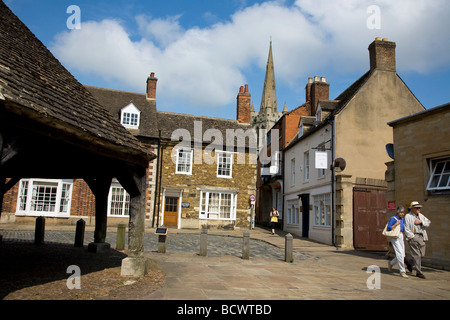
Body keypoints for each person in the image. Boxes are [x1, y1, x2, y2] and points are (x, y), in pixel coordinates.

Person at [404, 201, 431, 279]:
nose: (419, 209)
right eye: (417, 208)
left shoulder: (421, 216)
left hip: (421, 237)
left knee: (422, 254)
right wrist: (411, 237)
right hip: (413, 236)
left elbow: (428, 222)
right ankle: (419, 272)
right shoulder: (408, 216)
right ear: (412, 208)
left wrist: (421, 222)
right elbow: (406, 228)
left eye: (419, 208)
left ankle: (410, 262)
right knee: (417, 255)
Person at [387, 206, 408, 278]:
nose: (402, 214)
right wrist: (396, 224)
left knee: (403, 255)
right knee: (399, 254)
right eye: (401, 212)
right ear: (398, 212)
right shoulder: (393, 218)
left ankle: (391, 263)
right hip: (395, 236)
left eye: (403, 212)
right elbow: (389, 228)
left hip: (401, 235)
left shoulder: (402, 219)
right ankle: (402, 271)